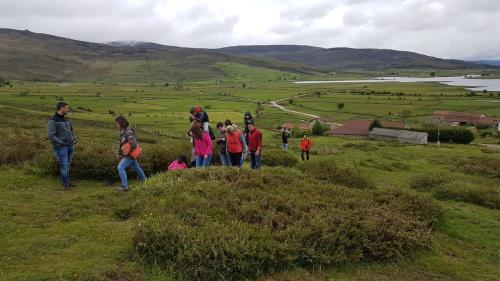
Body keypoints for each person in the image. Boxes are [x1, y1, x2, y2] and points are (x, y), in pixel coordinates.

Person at [48, 102, 77, 191]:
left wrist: (74, 139)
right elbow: (51, 135)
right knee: (64, 165)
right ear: (61, 108)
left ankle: (67, 182)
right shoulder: (52, 120)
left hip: (70, 146)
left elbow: (71, 130)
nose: (68, 110)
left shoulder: (67, 119)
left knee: (67, 164)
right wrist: (61, 143)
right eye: (67, 108)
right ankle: (65, 185)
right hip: (61, 147)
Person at [115, 116, 146, 192]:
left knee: (120, 167)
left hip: (129, 155)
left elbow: (133, 144)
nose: (116, 125)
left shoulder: (128, 132)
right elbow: (122, 143)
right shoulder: (122, 132)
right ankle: (146, 182)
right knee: (136, 168)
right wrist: (119, 153)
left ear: (121, 123)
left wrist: (126, 153)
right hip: (128, 155)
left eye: (117, 123)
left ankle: (125, 187)